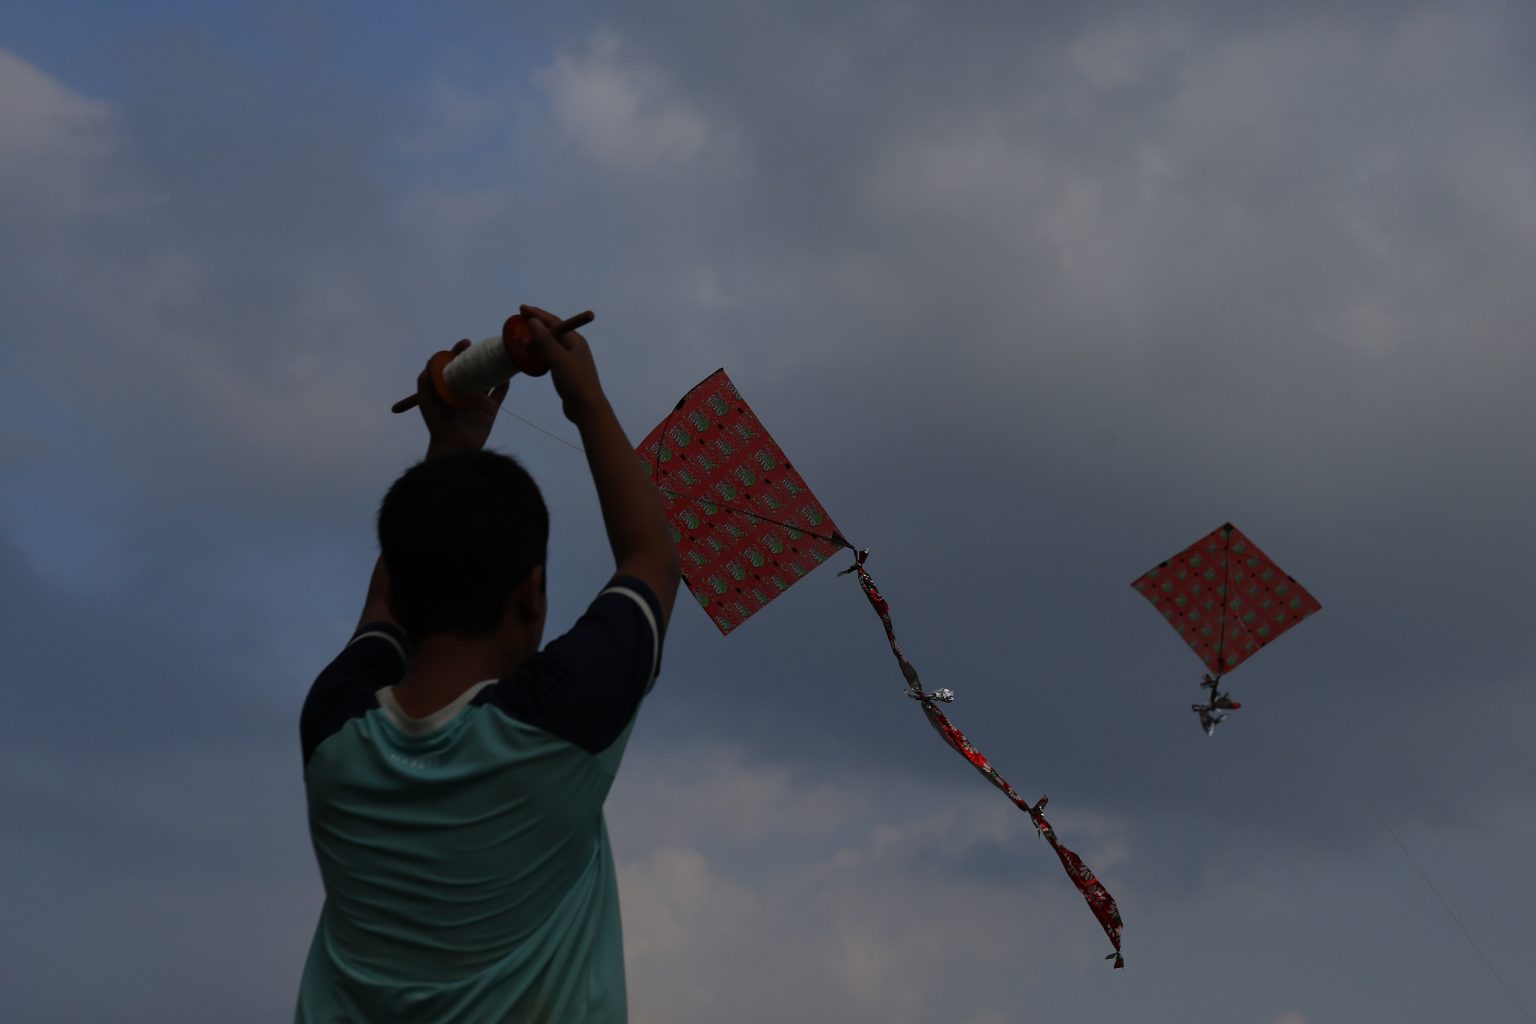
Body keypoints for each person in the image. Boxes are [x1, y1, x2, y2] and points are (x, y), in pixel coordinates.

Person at [295, 305, 680, 1022]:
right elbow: (653, 556)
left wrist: (455, 444)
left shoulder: (332, 732)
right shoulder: (556, 725)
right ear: (531, 596)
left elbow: (389, 597)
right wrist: (584, 398)